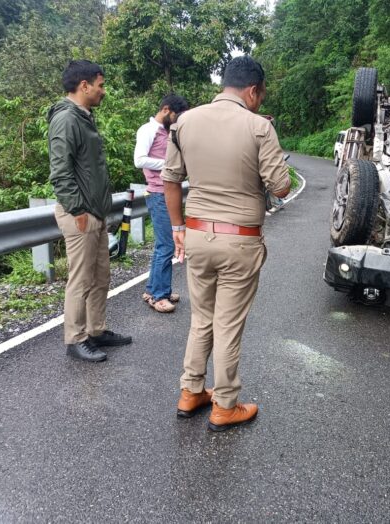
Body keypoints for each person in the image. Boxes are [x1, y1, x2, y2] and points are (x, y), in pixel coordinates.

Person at [162, 55, 291, 431]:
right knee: (228, 323)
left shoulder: (184, 122)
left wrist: (177, 228)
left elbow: (170, 180)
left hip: (197, 233)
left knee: (201, 318)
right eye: (261, 95)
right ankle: (225, 404)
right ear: (253, 91)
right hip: (240, 241)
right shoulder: (258, 127)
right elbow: (281, 186)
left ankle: (190, 391)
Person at [48, 60, 132, 363]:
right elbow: (60, 172)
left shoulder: (84, 116)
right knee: (81, 279)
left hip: (95, 212)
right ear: (84, 85)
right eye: (100, 85)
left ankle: (96, 331)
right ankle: (75, 338)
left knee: (100, 277)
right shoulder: (66, 119)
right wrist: (78, 210)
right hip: (80, 213)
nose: (103, 91)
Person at [134, 94, 190, 313]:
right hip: (157, 193)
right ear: (166, 109)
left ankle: (154, 290)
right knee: (167, 245)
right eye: (176, 116)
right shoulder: (147, 130)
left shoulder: (167, 131)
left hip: (166, 192)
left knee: (163, 245)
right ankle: (159, 296)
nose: (177, 121)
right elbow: (139, 159)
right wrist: (169, 163)